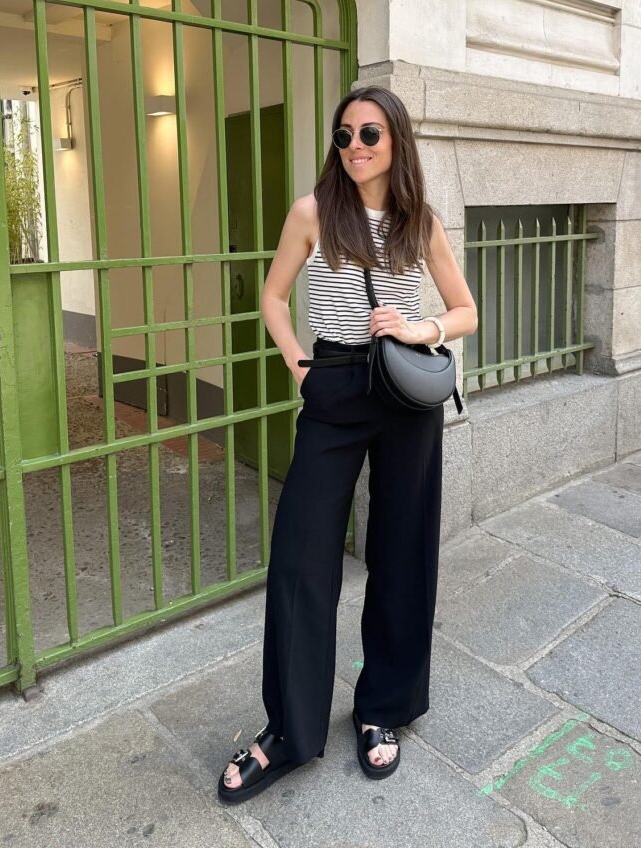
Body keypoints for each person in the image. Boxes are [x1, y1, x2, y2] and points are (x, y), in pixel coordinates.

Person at [218, 86, 478, 804]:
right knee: (303, 556)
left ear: (396, 139)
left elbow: (465, 312)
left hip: (404, 397)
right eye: (344, 135)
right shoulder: (313, 212)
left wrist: (420, 328)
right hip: (332, 388)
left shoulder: (418, 222)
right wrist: (298, 364)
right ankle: (290, 731)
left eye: (369, 132)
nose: (355, 145)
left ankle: (381, 708)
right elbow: (273, 296)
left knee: (402, 551)